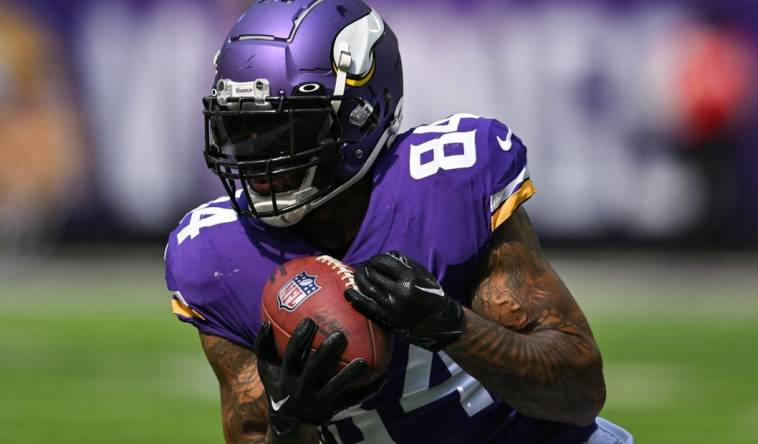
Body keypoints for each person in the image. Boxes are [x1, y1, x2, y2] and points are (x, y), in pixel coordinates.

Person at [165, 1, 632, 443]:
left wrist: (452, 325)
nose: (259, 158)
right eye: (239, 130)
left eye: (283, 131)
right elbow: (253, 432)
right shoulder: (217, 253)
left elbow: (580, 393)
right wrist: (291, 422)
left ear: (359, 113)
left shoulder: (444, 186)